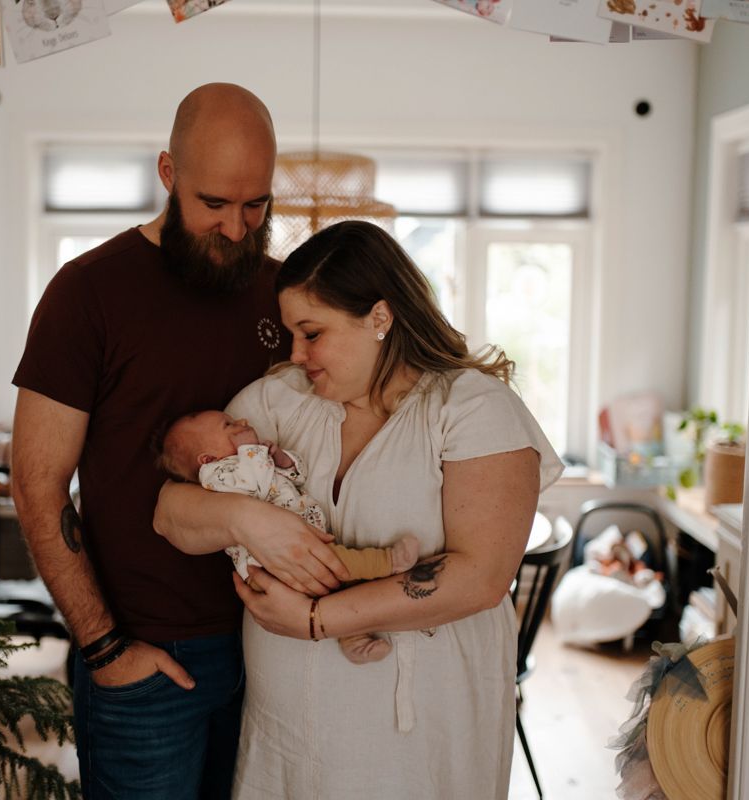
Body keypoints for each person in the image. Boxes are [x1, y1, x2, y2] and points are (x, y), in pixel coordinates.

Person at [10, 83, 350, 800]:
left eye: (256, 205)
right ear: (168, 175)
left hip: (277, 648)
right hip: (147, 659)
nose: (236, 228)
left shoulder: (283, 295)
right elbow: (37, 486)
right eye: (214, 205)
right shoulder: (87, 293)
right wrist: (104, 648)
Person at [154, 220, 564, 799]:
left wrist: (317, 622)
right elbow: (171, 511)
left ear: (379, 317)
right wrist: (248, 520)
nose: (295, 352)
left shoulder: (473, 409)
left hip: (416, 731)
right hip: (287, 727)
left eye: (311, 332)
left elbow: (481, 577)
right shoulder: (279, 400)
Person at [156, 408, 422, 663]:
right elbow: (254, 485)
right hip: (268, 566)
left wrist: (283, 460)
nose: (242, 422)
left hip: (291, 553)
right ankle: (388, 562)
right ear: (207, 458)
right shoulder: (215, 476)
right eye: (229, 425)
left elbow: (296, 476)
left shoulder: (252, 460)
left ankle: (355, 641)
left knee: (334, 591)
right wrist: (252, 448)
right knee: (341, 564)